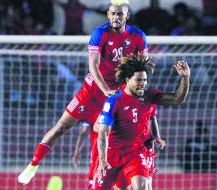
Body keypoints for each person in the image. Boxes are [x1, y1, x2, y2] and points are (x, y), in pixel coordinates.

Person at [18, 0, 149, 185]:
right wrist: (105, 90)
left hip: (116, 97)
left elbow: (142, 67)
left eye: (120, 14)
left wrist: (135, 92)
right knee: (61, 127)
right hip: (92, 93)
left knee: (112, 140)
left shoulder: (138, 36)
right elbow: (93, 66)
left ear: (127, 16)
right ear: (108, 15)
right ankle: (33, 164)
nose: (115, 17)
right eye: (112, 13)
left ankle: (106, 179)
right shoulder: (100, 33)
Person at [94, 55, 190, 189]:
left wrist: (185, 78)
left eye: (145, 80)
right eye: (138, 80)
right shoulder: (115, 100)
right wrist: (103, 160)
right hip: (112, 155)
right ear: (127, 80)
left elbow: (176, 99)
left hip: (135, 153)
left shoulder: (149, 97)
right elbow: (103, 133)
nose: (143, 83)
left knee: (143, 187)